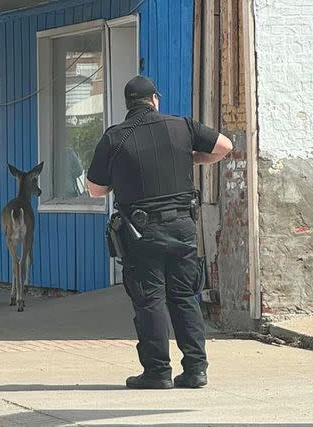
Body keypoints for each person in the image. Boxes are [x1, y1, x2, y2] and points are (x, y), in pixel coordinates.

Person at [86, 76, 232, 389]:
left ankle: (157, 372)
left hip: (141, 232)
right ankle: (196, 370)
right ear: (155, 99)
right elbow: (225, 146)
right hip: (182, 227)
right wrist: (193, 158)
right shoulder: (182, 126)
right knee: (183, 297)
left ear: (128, 104)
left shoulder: (115, 137)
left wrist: (120, 176)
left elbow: (95, 190)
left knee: (149, 300)